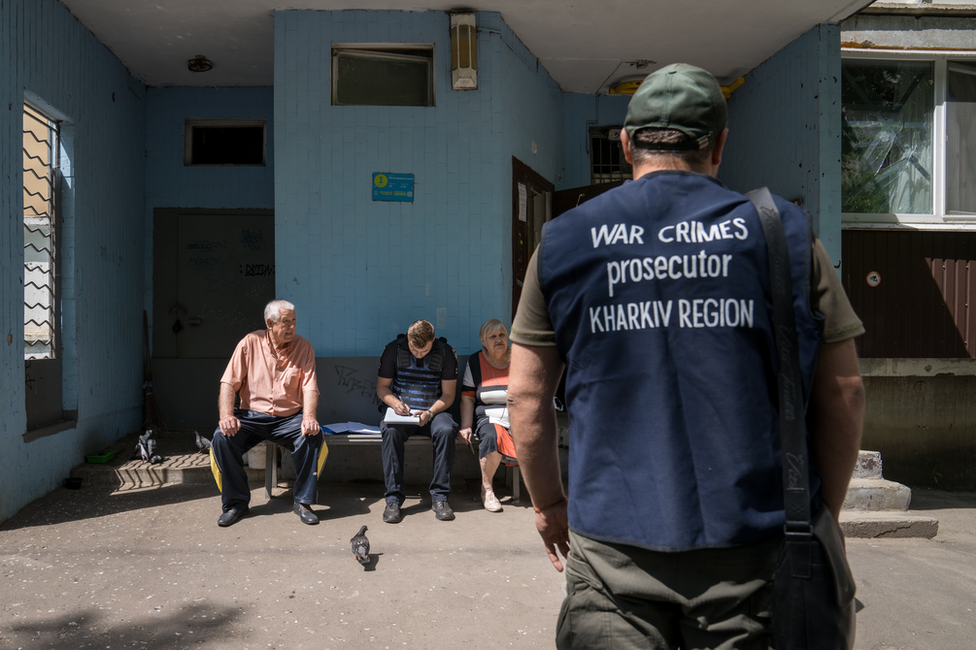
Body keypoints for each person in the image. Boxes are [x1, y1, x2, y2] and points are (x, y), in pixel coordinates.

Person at [507, 63, 866, 649]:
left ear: (625, 144)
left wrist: (548, 503)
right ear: (720, 145)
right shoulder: (785, 234)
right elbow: (844, 389)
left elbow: (525, 396)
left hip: (611, 561)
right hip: (755, 560)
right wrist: (817, 514)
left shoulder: (563, 242)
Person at [210, 299, 324, 527]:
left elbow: (310, 387)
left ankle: (303, 502)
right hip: (251, 416)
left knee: (312, 434)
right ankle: (236, 503)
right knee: (222, 437)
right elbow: (228, 383)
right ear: (269, 323)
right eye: (285, 322)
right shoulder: (249, 343)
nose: (291, 327)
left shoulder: (304, 347)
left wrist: (309, 417)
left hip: (289, 418)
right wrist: (226, 416)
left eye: (294, 321)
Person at [376, 319, 460, 523]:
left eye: (424, 351)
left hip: (434, 412)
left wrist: (430, 413)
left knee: (447, 430)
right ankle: (393, 499)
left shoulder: (446, 352)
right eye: (414, 350)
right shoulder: (393, 350)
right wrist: (394, 403)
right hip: (401, 413)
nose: (419, 354)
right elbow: (382, 388)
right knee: (390, 431)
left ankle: (440, 497)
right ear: (408, 339)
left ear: (433, 340)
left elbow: (449, 395)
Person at [459, 319, 517, 512]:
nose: (499, 339)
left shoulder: (519, 357)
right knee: (492, 436)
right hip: (489, 416)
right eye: (492, 336)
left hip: (519, 414)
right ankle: (487, 489)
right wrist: (466, 426)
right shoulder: (475, 362)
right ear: (483, 341)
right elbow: (467, 397)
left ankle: (542, 491)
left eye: (502, 334)